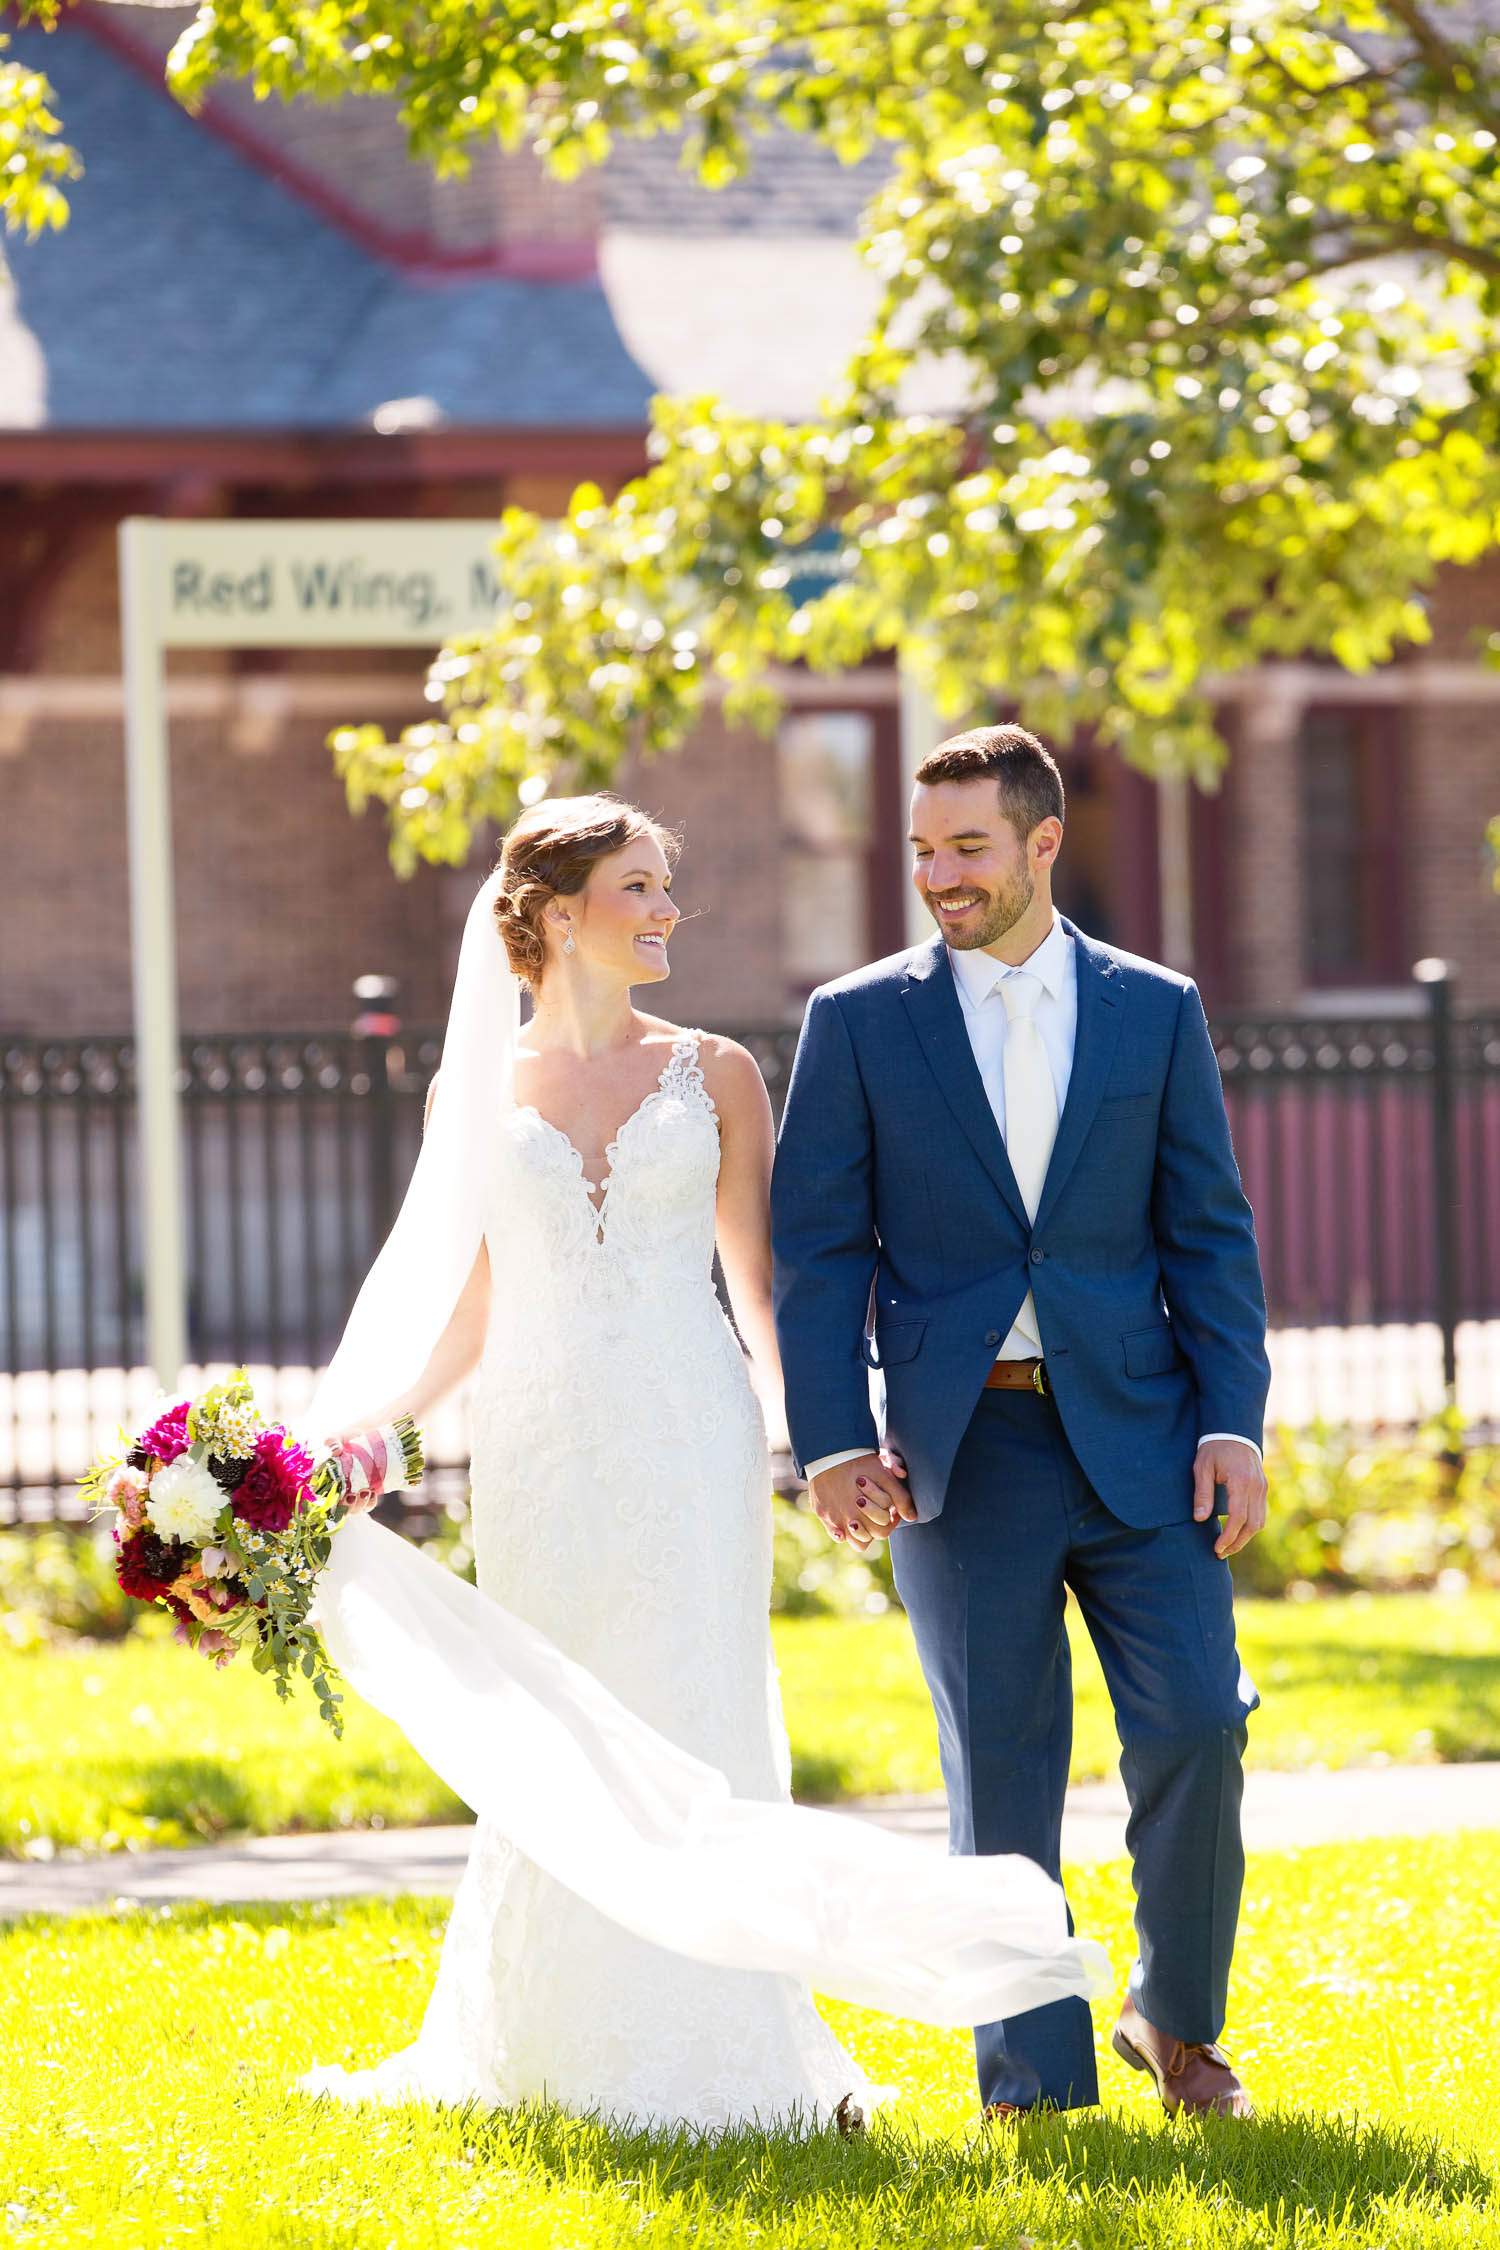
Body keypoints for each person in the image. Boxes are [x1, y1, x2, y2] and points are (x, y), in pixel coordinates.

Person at [294, 791, 1107, 2133]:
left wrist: (827, 1441)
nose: (668, 909)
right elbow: (474, 1297)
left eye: (669, 885)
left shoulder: (716, 1072)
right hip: (540, 1442)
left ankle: (728, 2046)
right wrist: (380, 1432)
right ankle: (546, 2040)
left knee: (697, 1714)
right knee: (556, 1718)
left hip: (687, 1429)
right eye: (639, 886)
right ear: (558, 912)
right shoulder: (476, 1093)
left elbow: (768, 1287)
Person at [771, 725, 1270, 2121]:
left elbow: (1210, 1236)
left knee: (1195, 1724)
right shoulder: (858, 1019)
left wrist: (1234, 1421)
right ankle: (1034, 2082)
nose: (939, 873)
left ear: (1044, 842)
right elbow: (819, 1254)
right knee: (1000, 1768)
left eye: (968, 847)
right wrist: (829, 1438)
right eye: (924, 848)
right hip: (959, 1448)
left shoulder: (1152, 1008)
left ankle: (1176, 2024)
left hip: (1143, 1436)